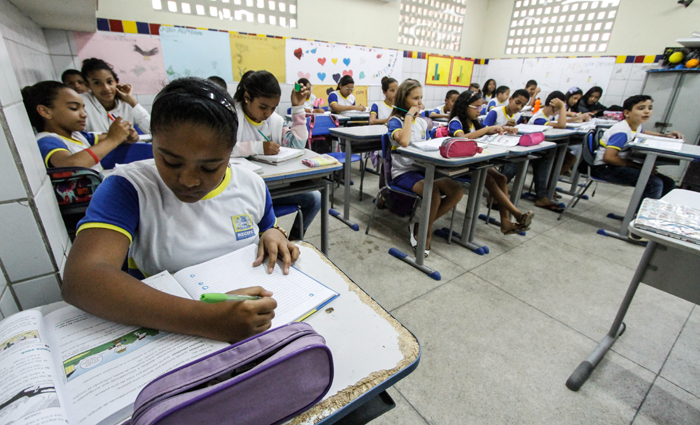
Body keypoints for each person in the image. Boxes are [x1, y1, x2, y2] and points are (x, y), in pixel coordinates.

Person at [62, 77, 296, 343]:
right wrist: (207, 320)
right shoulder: (128, 188)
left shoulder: (251, 184)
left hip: (252, 325)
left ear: (231, 152)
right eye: (171, 161)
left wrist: (273, 233)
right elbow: (82, 279)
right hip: (170, 333)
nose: (188, 180)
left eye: (209, 167)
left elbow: (267, 227)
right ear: (153, 144)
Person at [231, 70, 320, 240]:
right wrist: (258, 147)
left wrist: (298, 108)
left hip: (271, 187)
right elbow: (223, 148)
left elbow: (297, 145)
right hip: (242, 191)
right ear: (247, 98)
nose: (268, 113)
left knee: (315, 198)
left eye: (273, 108)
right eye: (263, 107)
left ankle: (293, 241)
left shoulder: (275, 121)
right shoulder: (231, 118)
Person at [387, 80, 463, 256]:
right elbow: (404, 141)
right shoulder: (395, 121)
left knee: (456, 191)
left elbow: (429, 146)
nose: (419, 102)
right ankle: (423, 234)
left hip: (422, 169)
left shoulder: (421, 123)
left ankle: (421, 224)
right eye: (415, 98)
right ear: (403, 99)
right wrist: (408, 116)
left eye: (421, 98)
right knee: (433, 192)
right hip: (403, 173)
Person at [447, 90, 533, 235]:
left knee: (501, 178)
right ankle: (517, 214)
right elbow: (462, 139)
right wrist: (486, 129)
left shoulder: (474, 122)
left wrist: (503, 129)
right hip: (459, 165)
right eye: (477, 107)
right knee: (488, 179)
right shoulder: (456, 121)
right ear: (465, 106)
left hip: (474, 162)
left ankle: (505, 221)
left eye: (481, 107)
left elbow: (484, 133)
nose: (479, 111)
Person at [22, 81, 137, 171]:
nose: (84, 114)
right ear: (45, 111)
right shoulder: (46, 140)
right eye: (74, 108)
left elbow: (114, 138)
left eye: (83, 108)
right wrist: (113, 139)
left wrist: (126, 135)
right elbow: (70, 165)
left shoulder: (78, 136)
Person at [592, 94, 681, 205]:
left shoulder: (635, 125)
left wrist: (665, 136)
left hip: (617, 165)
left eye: (650, 108)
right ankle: (640, 217)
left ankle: (654, 212)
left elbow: (643, 133)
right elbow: (609, 158)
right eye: (641, 108)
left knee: (669, 183)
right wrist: (637, 166)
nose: (647, 112)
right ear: (627, 113)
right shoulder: (622, 131)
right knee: (654, 183)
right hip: (605, 168)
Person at [80, 58, 151, 134]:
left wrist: (132, 101)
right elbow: (79, 137)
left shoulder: (126, 102)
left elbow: (152, 130)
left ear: (116, 82)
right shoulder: (82, 102)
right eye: (97, 83)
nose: (106, 88)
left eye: (109, 82)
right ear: (88, 85)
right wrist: (118, 137)